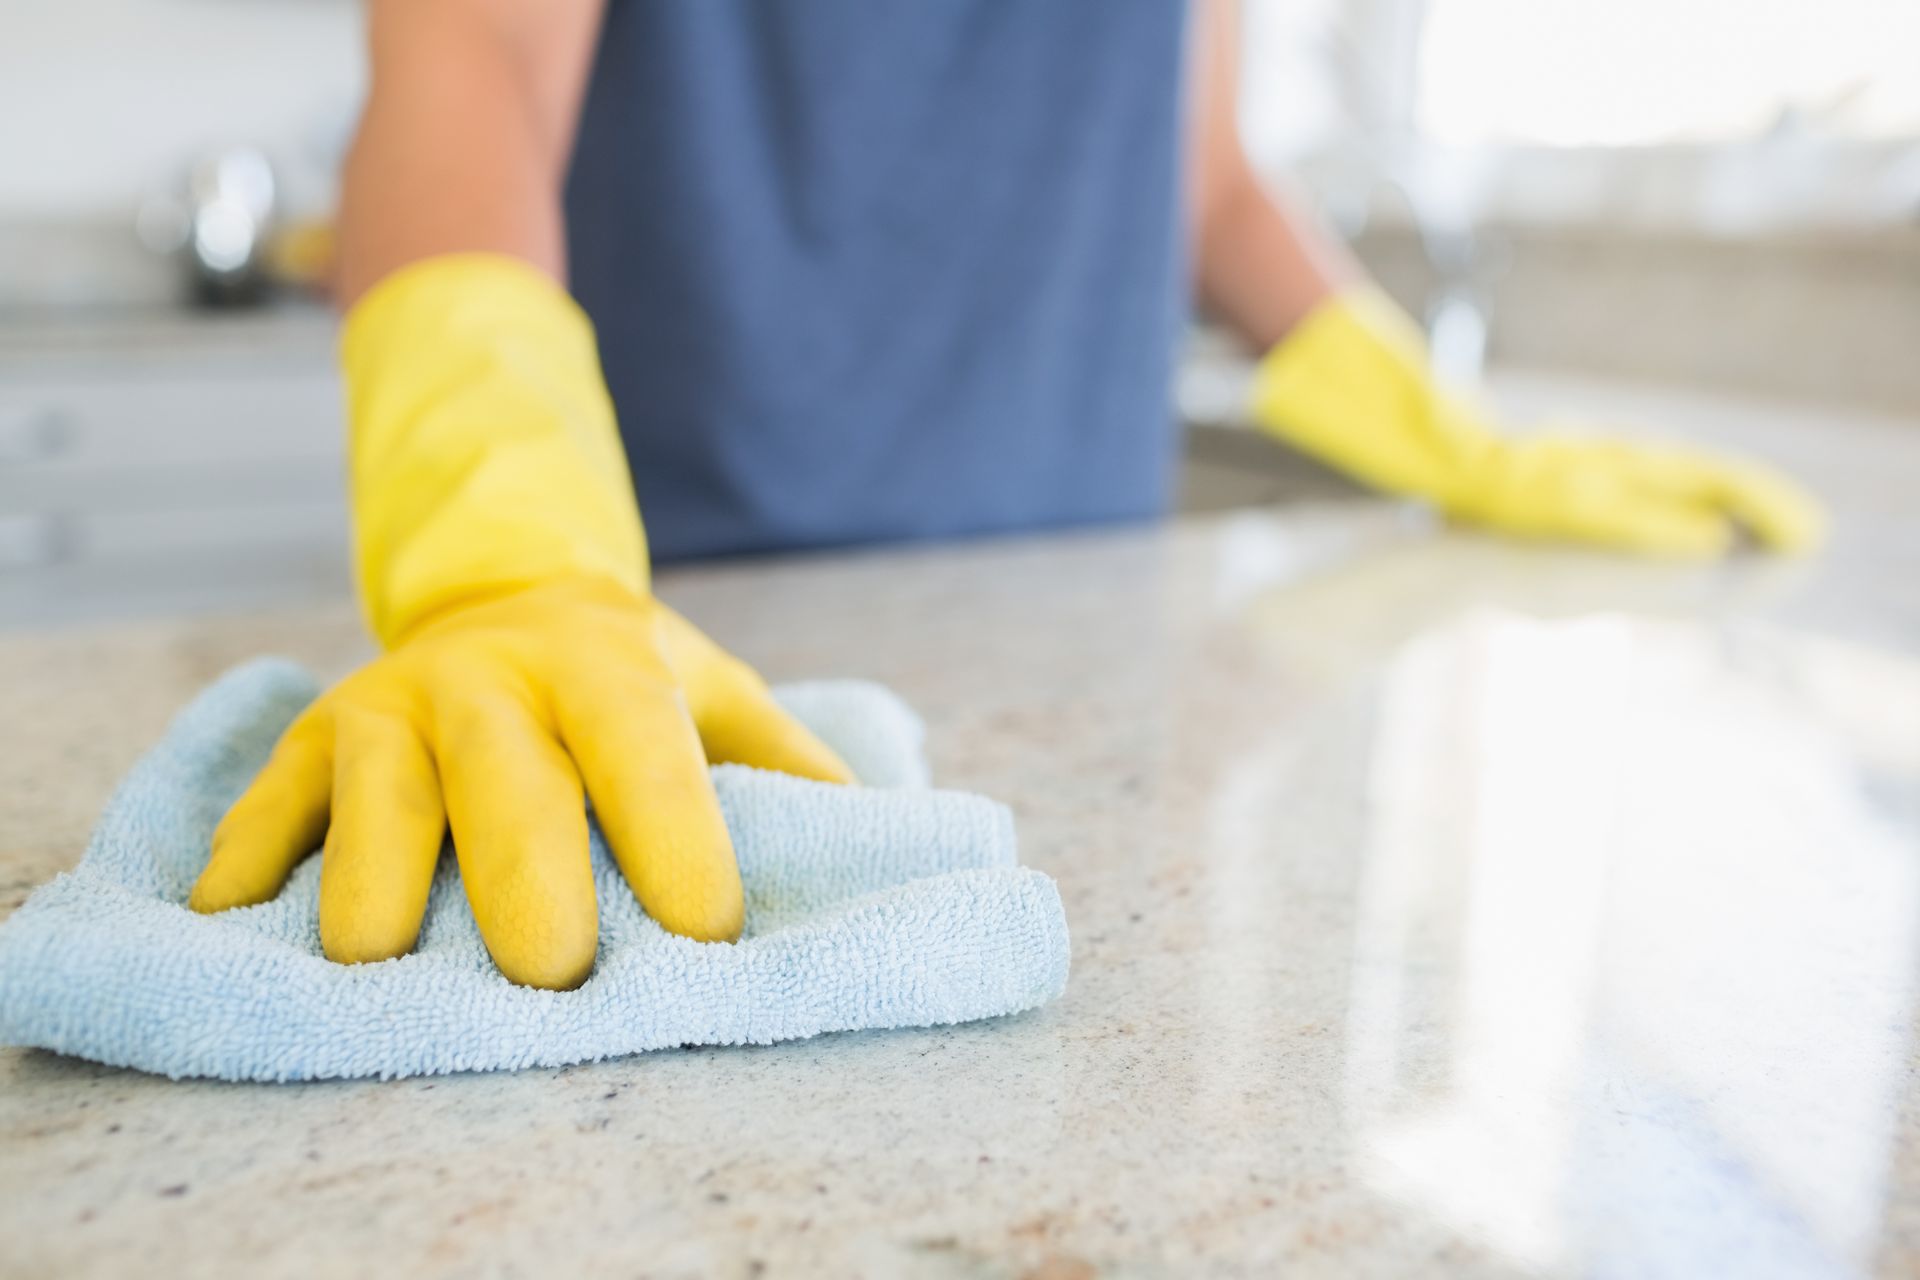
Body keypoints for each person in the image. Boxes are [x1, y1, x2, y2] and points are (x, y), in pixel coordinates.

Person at [188, 0, 1822, 989]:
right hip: (684, 640)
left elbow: (1207, 178)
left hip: (1094, 621)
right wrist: (504, 551)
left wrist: (1447, 437)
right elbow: (469, 65)